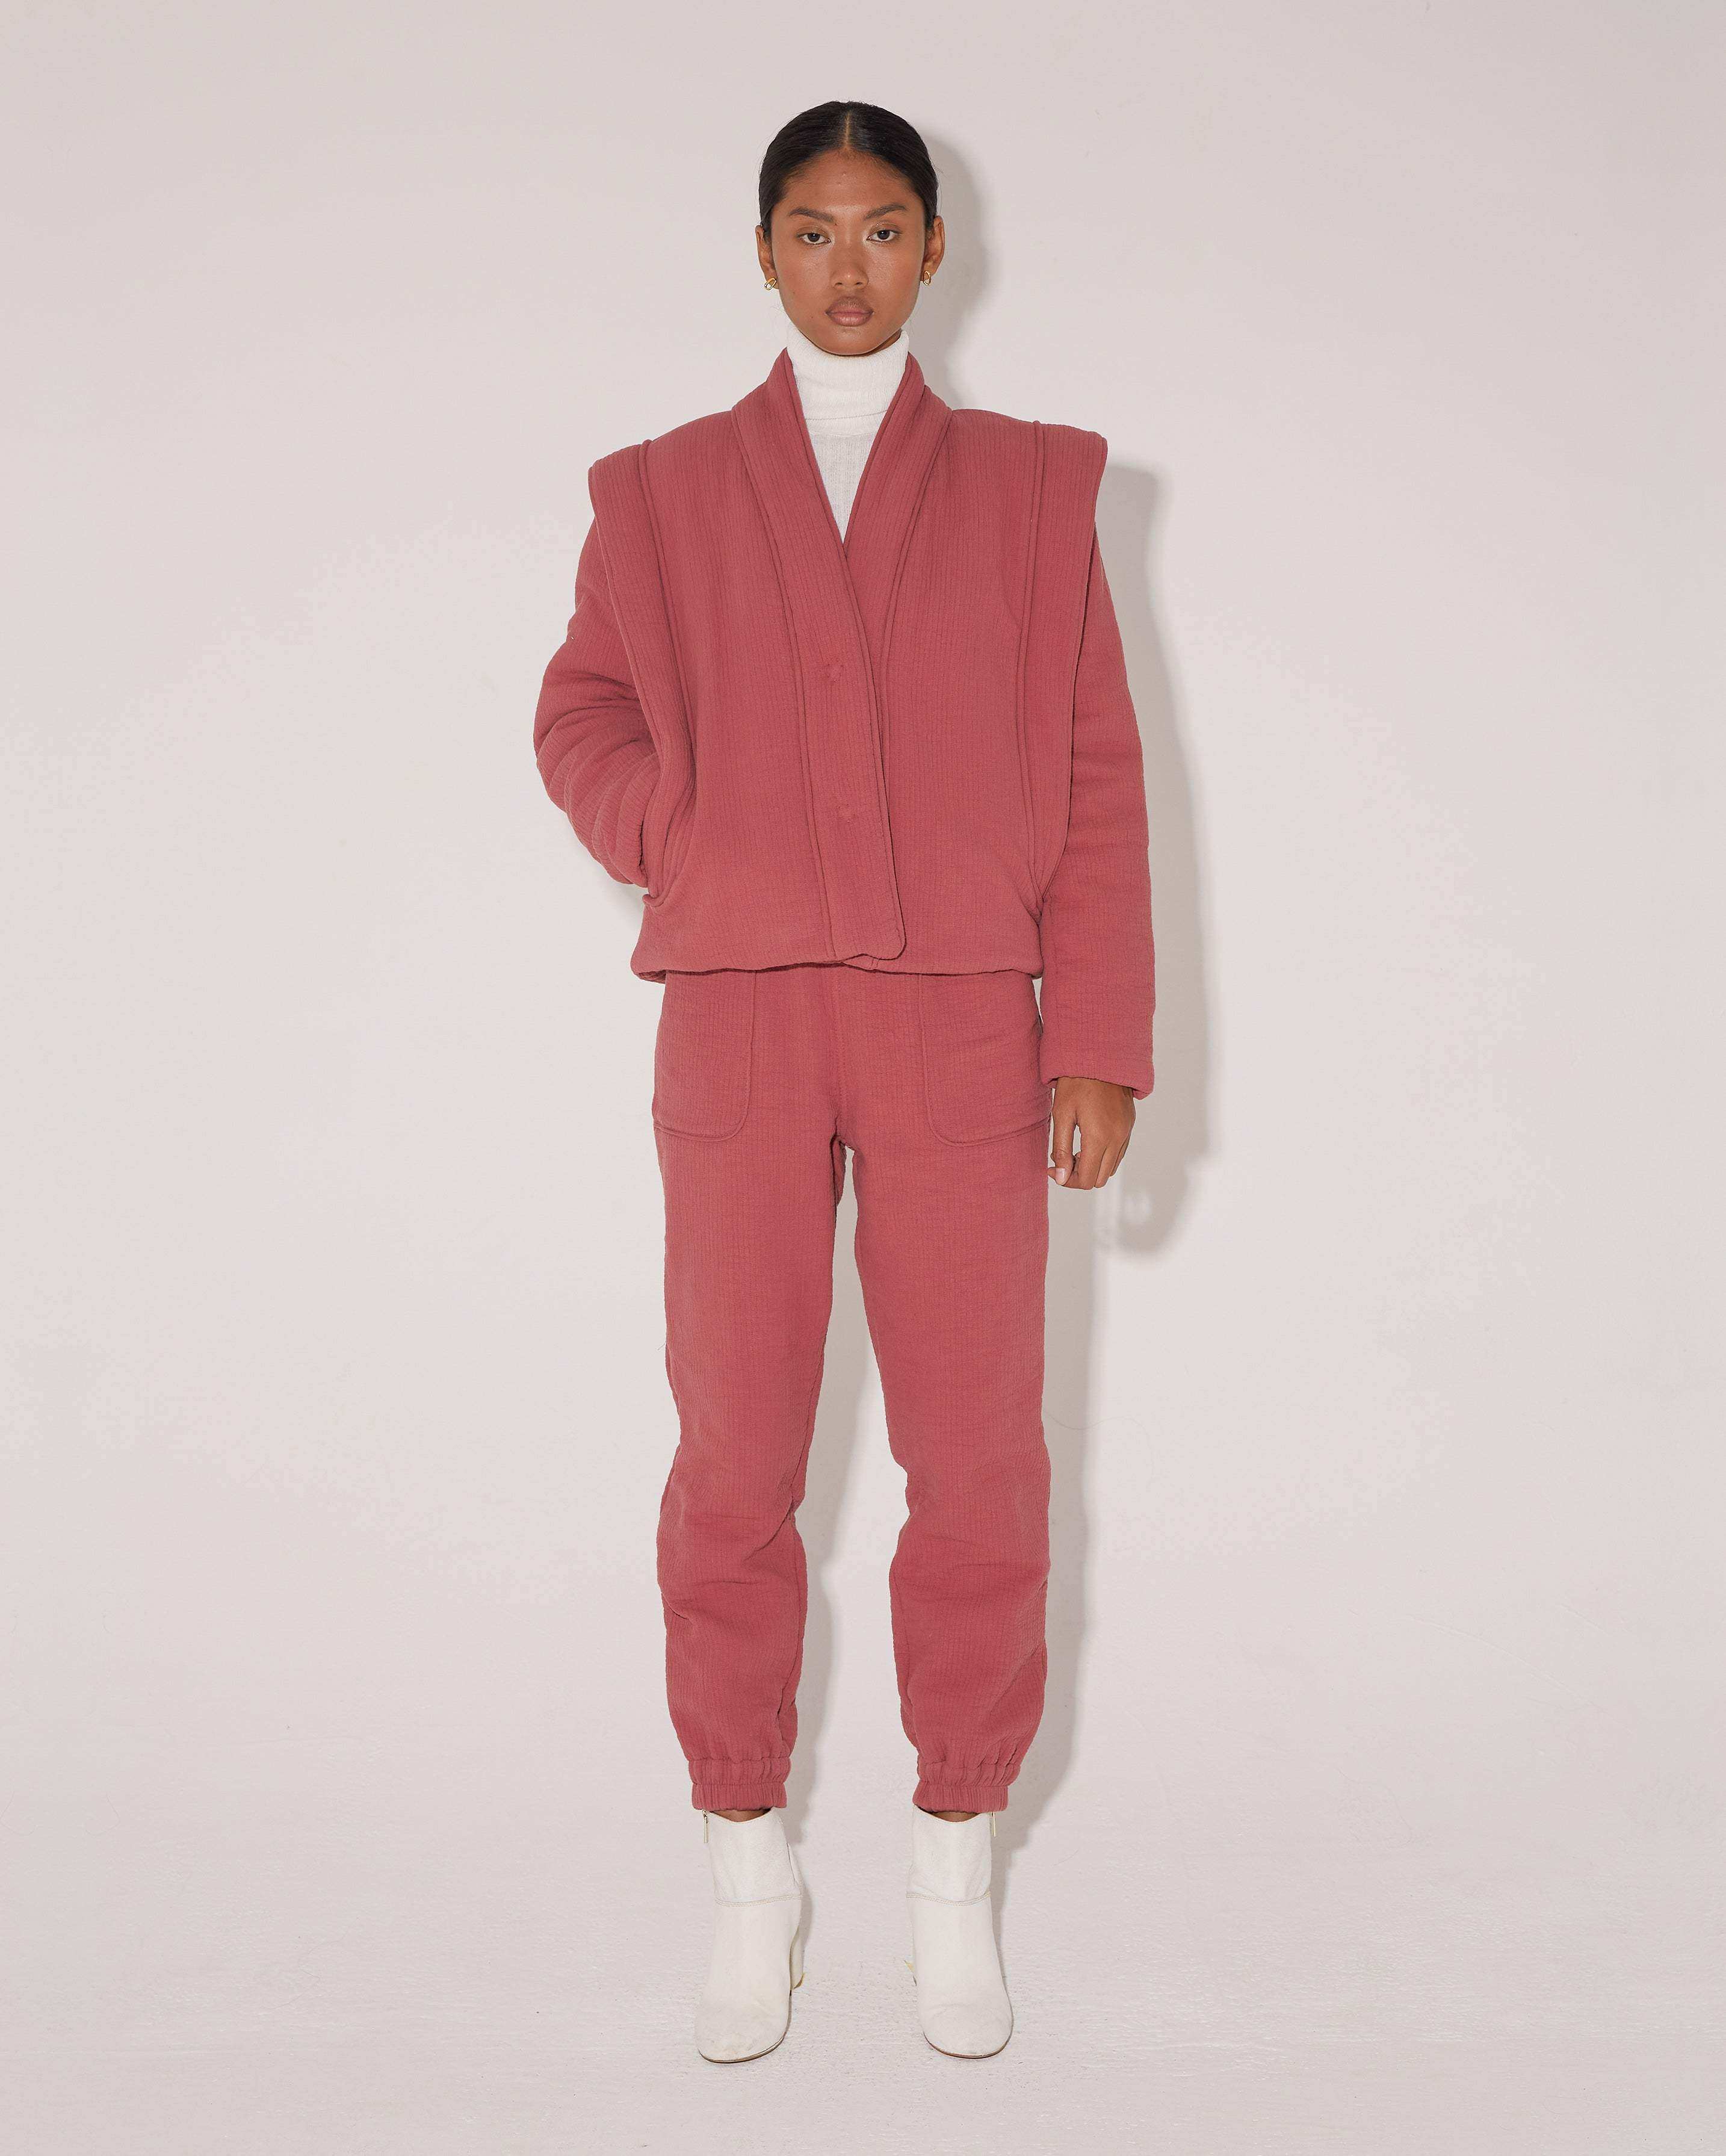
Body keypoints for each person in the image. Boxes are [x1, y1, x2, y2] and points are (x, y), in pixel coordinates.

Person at [533, 99, 1154, 2063]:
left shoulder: (1036, 489)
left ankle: (953, 1875)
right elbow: (579, 712)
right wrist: (678, 831)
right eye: (811, 232)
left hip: (964, 1017)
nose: (848, 267)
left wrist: (1099, 1038)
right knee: (733, 1459)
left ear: (936, 247)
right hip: (735, 1011)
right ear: (763, 252)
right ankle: (749, 1878)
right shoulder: (655, 492)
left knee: (977, 1463)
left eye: (883, 229)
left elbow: (1097, 773)